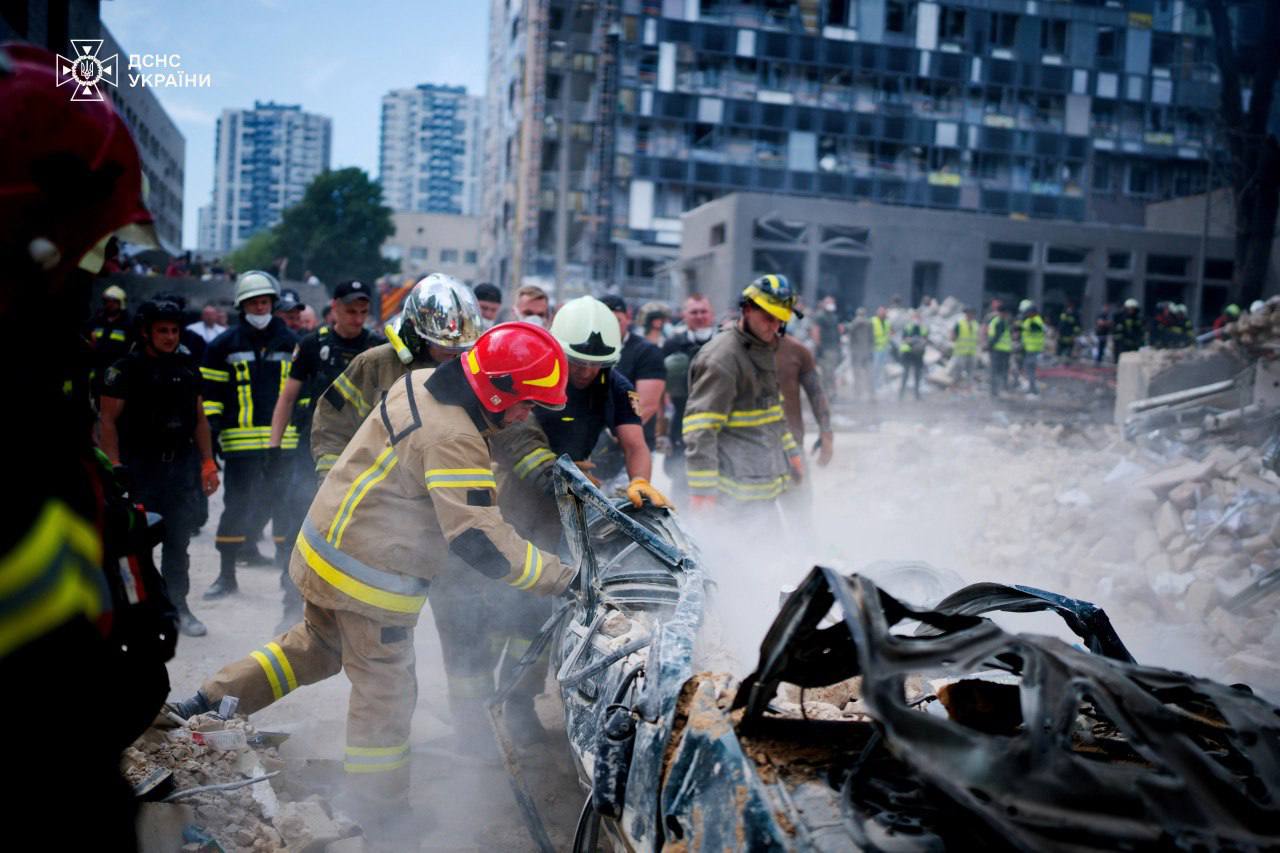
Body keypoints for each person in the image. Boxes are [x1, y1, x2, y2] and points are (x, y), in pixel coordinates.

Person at [170, 324, 575, 835]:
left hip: (325, 548)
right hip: (369, 579)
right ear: (498, 389)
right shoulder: (455, 438)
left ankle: (207, 702)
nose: (527, 415)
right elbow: (480, 541)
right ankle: (379, 810)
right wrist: (562, 578)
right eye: (527, 404)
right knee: (387, 695)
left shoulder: (423, 380)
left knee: (312, 646)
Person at [1, 42, 177, 847]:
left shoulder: (35, 394)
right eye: (83, 248)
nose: (95, 275)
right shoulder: (19, 428)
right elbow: (44, 726)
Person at [99, 300, 221, 636]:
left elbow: (199, 420)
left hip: (179, 469)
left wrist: (208, 462)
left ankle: (177, 607)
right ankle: (134, 610)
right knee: (134, 544)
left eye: (174, 330)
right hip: (139, 468)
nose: (169, 337)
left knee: (178, 542)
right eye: (162, 330)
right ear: (146, 331)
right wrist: (114, 466)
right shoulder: (124, 369)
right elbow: (107, 421)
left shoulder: (187, 368)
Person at [268, 281, 382, 629]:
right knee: (301, 527)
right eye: (350, 311)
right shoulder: (312, 345)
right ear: (334, 307)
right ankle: (292, 604)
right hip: (311, 451)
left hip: (363, 454)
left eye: (363, 312)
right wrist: (274, 446)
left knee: (357, 534)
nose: (357, 318)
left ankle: (341, 610)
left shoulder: (377, 348)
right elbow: (287, 397)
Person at [310, 274, 480, 480]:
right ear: (415, 335)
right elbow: (333, 424)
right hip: (373, 491)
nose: (452, 355)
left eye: (460, 348)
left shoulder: (468, 372)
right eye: (441, 345)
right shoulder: (376, 364)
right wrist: (332, 479)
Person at [201, 270, 299, 599]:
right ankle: (226, 576)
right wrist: (211, 437)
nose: (260, 308)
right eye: (254, 303)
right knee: (236, 507)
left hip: (283, 443)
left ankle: (289, 579)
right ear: (242, 305)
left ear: (273, 303)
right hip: (239, 443)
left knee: (284, 507)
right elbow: (211, 396)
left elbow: (303, 394)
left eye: (265, 302)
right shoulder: (222, 345)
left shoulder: (293, 343)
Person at [684, 275, 803, 513]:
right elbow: (701, 429)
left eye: (781, 320)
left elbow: (772, 411)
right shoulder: (722, 359)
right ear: (747, 309)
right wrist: (702, 493)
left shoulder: (764, 347)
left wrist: (792, 453)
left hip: (763, 487)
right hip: (732, 497)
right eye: (769, 318)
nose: (775, 326)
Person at [659, 294, 716, 497]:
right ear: (684, 315)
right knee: (680, 478)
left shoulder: (723, 344)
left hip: (718, 423)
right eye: (694, 312)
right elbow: (659, 386)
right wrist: (661, 427)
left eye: (703, 311)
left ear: (712, 314)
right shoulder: (672, 344)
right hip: (681, 422)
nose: (699, 316)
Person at [600, 293, 665, 452]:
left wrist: (614, 434)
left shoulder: (646, 352)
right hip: (593, 442)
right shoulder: (589, 350)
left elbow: (647, 404)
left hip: (632, 442)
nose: (611, 327)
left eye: (617, 320)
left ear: (628, 317)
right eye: (604, 321)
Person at [775, 331, 833, 467]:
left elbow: (816, 393)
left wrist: (826, 433)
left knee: (800, 487)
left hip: (792, 444)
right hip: (749, 448)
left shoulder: (796, 350)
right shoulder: (733, 349)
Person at [86, 283, 133, 397]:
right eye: (107, 301)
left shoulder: (128, 324)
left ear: (121, 303)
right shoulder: (96, 321)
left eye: (113, 301)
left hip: (117, 371)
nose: (109, 304)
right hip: (96, 369)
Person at [811, 295, 842, 401]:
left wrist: (839, 346)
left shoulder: (834, 316)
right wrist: (818, 346)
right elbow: (815, 331)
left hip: (833, 349)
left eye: (832, 302)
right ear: (824, 304)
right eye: (829, 303)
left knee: (832, 372)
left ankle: (832, 393)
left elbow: (837, 331)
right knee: (826, 372)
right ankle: (825, 394)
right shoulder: (820, 316)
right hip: (825, 349)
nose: (831, 305)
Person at [846, 307, 875, 402]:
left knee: (857, 373)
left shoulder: (854, 323)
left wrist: (851, 350)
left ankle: (858, 392)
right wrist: (871, 350)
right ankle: (871, 393)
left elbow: (851, 338)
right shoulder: (869, 323)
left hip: (857, 352)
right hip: (866, 351)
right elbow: (872, 338)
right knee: (869, 373)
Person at [898, 310, 927, 401]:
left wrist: (919, 342)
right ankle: (901, 394)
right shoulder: (907, 327)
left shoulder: (923, 328)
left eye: (918, 317)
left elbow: (925, 339)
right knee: (905, 373)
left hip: (918, 354)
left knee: (917, 375)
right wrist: (914, 341)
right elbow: (904, 339)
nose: (917, 319)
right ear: (912, 318)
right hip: (908, 353)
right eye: (915, 317)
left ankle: (917, 395)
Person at [1019, 300, 1045, 397]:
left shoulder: (1036, 320)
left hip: (1034, 350)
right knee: (1029, 370)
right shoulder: (1028, 320)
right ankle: (1031, 388)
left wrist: (1023, 326)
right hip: (1028, 349)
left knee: (1030, 370)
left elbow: (1035, 328)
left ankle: (1032, 389)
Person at [988, 305, 1013, 397]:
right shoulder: (1000, 322)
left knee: (998, 370)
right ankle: (996, 390)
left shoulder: (1000, 321)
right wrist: (990, 347)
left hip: (1002, 350)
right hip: (999, 350)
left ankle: (997, 390)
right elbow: (996, 337)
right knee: (998, 371)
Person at [951, 306, 978, 385]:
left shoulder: (975, 324)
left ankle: (968, 388)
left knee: (970, 371)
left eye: (972, 313)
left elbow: (977, 337)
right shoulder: (960, 323)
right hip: (960, 352)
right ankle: (955, 387)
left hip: (971, 352)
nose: (970, 315)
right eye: (969, 313)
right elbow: (953, 336)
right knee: (958, 371)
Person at [870, 306, 890, 394]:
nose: (883, 314)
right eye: (881, 312)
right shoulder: (873, 321)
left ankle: (879, 386)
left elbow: (888, 334)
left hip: (884, 348)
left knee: (882, 368)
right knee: (875, 368)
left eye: (884, 312)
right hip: (876, 349)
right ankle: (873, 387)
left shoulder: (887, 322)